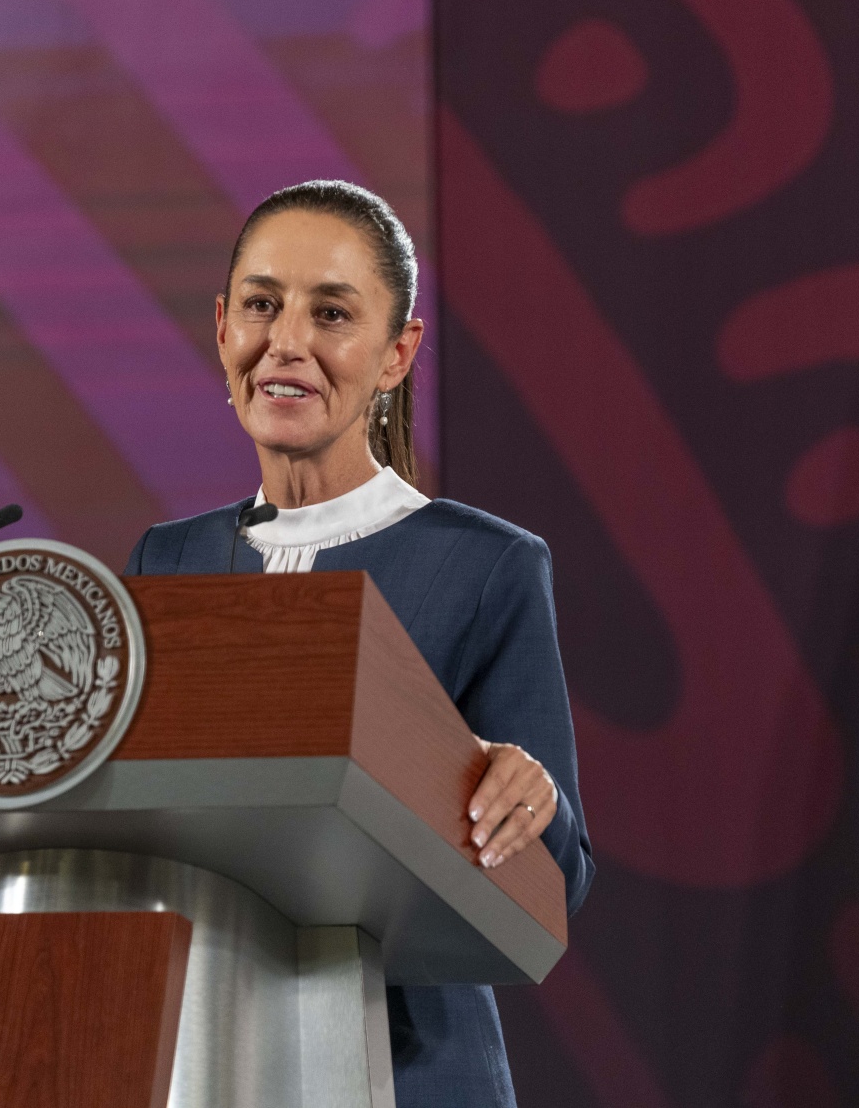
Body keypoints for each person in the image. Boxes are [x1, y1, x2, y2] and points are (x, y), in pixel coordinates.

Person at [124, 179, 593, 1108]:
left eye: (331, 313)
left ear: (396, 354)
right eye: (262, 305)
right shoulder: (165, 561)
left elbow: (559, 883)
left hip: (411, 1071)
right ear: (222, 328)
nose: (286, 341)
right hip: (193, 1059)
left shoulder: (487, 565)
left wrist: (533, 799)